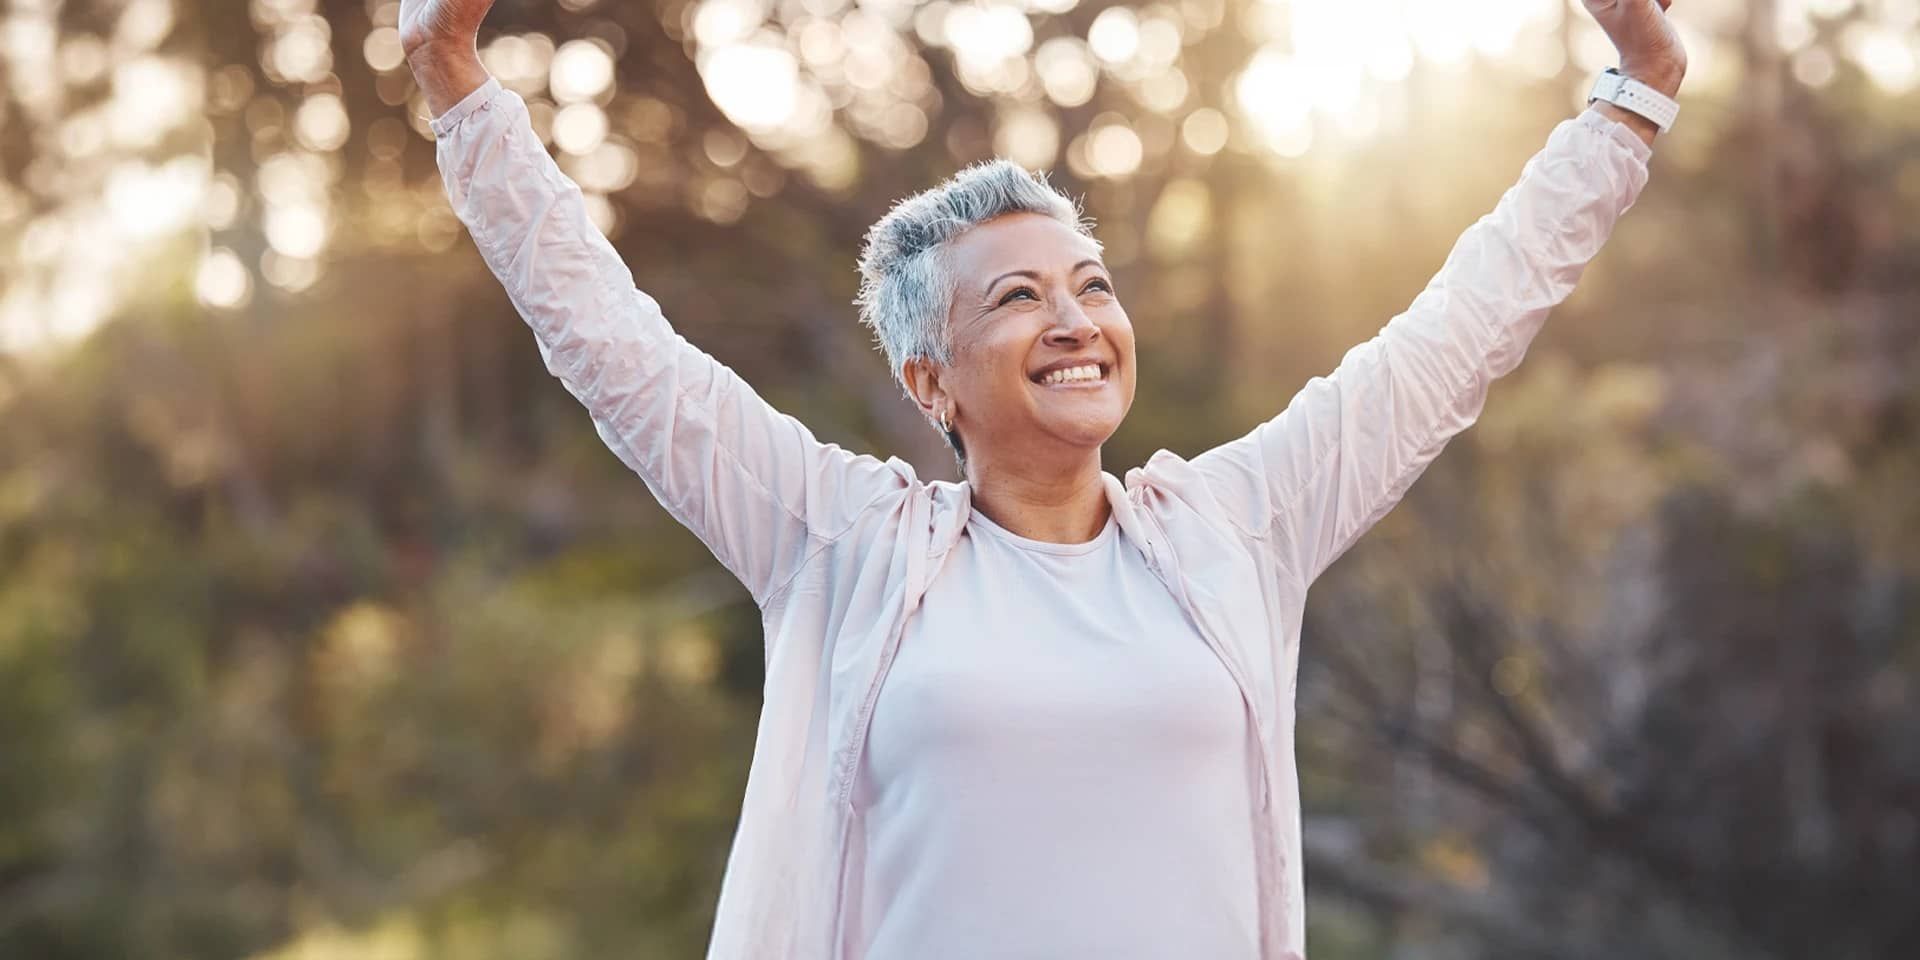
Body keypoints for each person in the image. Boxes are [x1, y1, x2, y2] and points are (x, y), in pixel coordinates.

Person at [400, 0, 1687, 956]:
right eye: (1017, 298)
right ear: (929, 380)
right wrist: (460, 89)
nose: (1075, 320)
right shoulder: (840, 545)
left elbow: (1456, 332)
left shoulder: (1235, 532)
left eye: (1093, 287)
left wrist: (1634, 99)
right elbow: (616, 346)